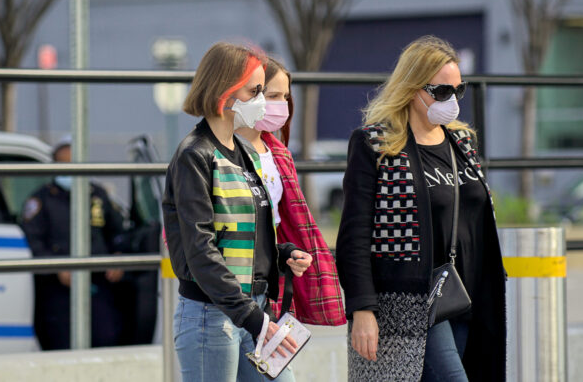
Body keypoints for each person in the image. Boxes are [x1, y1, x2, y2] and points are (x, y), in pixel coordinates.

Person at [335, 36, 506, 381]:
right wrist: (362, 309)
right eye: (441, 91)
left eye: (459, 90)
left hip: (468, 293)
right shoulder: (376, 143)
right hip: (409, 299)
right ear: (412, 88)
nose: (452, 101)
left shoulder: (462, 142)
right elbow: (354, 235)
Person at [162, 42, 312, 382]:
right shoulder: (194, 155)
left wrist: (282, 253)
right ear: (225, 90)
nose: (261, 99)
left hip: (251, 311)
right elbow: (201, 250)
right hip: (211, 316)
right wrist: (255, 319)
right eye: (255, 90)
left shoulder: (242, 151)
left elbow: (246, 233)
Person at [236, 57, 346, 326]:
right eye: (273, 95)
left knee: (277, 368)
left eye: (285, 96)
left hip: (270, 285)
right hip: (233, 285)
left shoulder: (280, 154)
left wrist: (289, 254)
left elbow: (283, 222)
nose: (280, 105)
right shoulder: (220, 152)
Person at [20, 137, 126, 350]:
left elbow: (118, 232)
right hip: (58, 287)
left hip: (97, 282)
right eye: (63, 164)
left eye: (74, 163)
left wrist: (119, 257)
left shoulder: (97, 195)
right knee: (62, 343)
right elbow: (32, 241)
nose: (69, 170)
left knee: (105, 339)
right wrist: (56, 267)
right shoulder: (41, 200)